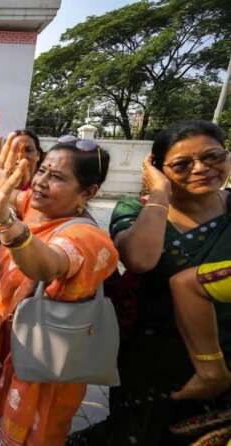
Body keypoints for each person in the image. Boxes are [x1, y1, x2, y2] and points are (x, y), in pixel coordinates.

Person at [69, 120, 231, 445]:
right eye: (182, 164)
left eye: (212, 157)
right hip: (147, 362)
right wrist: (159, 192)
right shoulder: (137, 209)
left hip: (224, 357)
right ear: (157, 168)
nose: (201, 169)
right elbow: (141, 259)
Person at [0, 134, 118, 445]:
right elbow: (1, 200)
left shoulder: (88, 238)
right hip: (10, 346)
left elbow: (47, 265)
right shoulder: (39, 210)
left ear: (89, 192)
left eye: (57, 177)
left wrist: (6, 222)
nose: (41, 181)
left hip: (46, 366)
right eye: (43, 170)